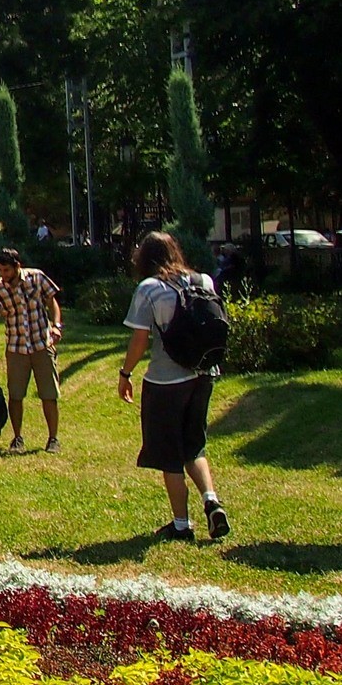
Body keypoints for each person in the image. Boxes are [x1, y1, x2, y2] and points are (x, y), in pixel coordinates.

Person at [118, 231, 231, 542]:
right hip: (204, 373)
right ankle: (211, 500)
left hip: (166, 381)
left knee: (169, 453)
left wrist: (125, 373)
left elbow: (140, 340)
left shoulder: (150, 289)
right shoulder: (203, 280)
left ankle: (181, 524)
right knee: (194, 445)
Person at [0, 247, 64, 452]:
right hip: (16, 348)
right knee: (16, 395)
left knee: (49, 394)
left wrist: (56, 326)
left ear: (18, 266)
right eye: (0, 270)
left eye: (7, 270)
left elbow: (52, 301)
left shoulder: (37, 278)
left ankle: (53, 438)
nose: (3, 275)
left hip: (41, 344)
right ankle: (17, 438)